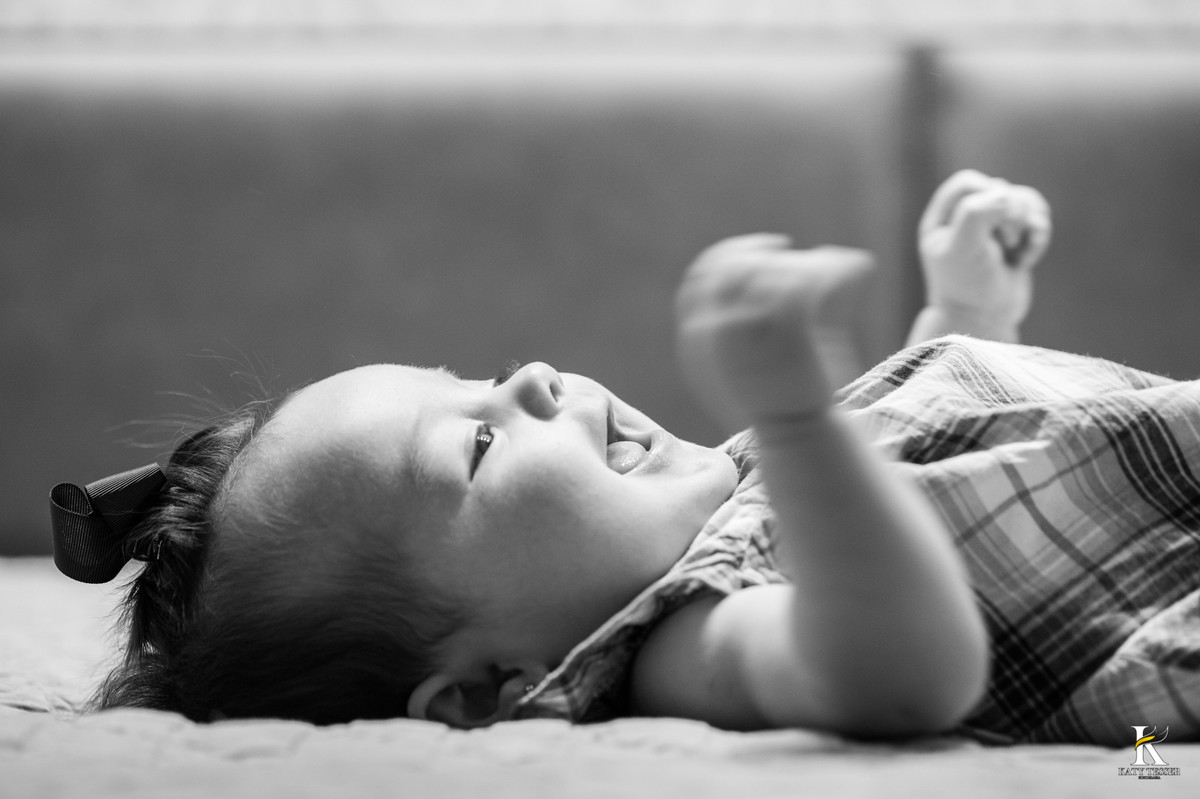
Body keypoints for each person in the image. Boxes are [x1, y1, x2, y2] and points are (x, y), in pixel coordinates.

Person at [50, 170, 1200, 745]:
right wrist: (797, 421)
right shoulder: (689, 639)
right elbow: (910, 665)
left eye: (479, 375)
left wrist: (962, 315)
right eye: (482, 440)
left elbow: (934, 474)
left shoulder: (756, 483)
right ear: (484, 691)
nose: (534, 377)